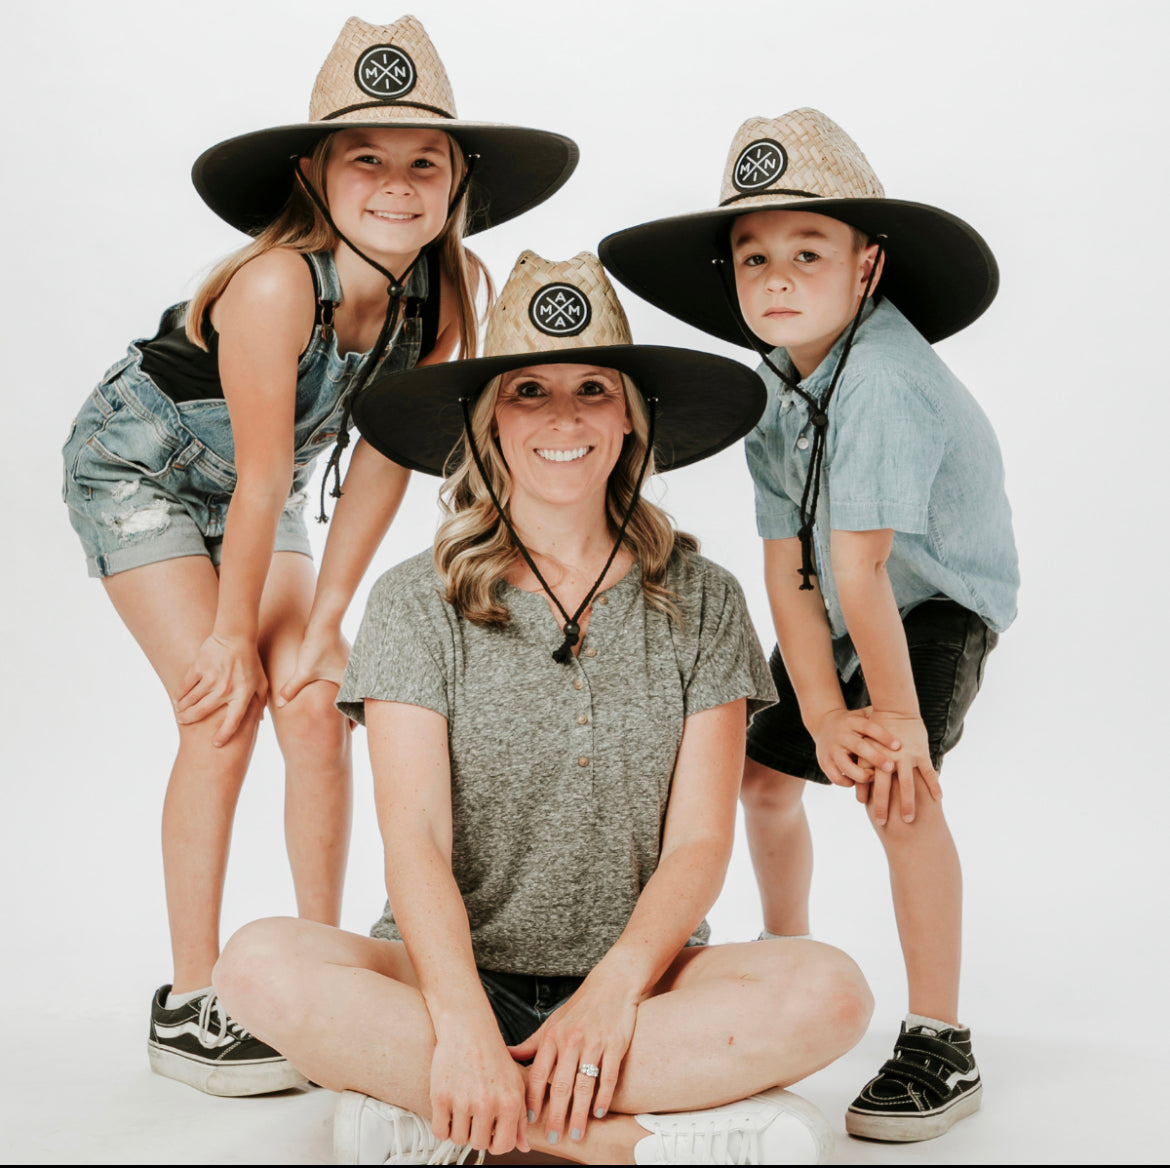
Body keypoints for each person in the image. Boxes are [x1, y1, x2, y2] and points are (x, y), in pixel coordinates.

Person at [212, 252, 873, 1165]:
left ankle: (443, 1119)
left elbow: (698, 846)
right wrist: (463, 1023)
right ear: (488, 423)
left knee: (832, 991)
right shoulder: (416, 599)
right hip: (445, 977)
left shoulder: (704, 595)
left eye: (594, 388)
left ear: (632, 417)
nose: (563, 417)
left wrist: (610, 996)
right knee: (254, 964)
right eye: (528, 390)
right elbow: (415, 840)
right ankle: (613, 1139)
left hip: (643, 986)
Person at [60, 15, 577, 1096]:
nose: (397, 185)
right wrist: (224, 638)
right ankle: (192, 997)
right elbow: (252, 479)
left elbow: (388, 454)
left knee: (313, 697)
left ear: (458, 177)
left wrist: (328, 614)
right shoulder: (274, 285)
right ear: (315, 172)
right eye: (366, 160)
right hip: (145, 468)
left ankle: (316, 970)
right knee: (223, 705)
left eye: (423, 162)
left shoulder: (451, 287)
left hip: (267, 485)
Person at [600, 109, 1018, 1142]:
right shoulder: (781, 379)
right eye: (755, 258)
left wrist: (881, 718)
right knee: (760, 771)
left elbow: (865, 567)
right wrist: (814, 712)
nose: (777, 278)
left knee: (893, 777)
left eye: (808, 252)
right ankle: (785, 953)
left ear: (867, 265)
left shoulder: (877, 377)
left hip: (927, 599)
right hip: (840, 596)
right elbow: (790, 567)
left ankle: (940, 1035)